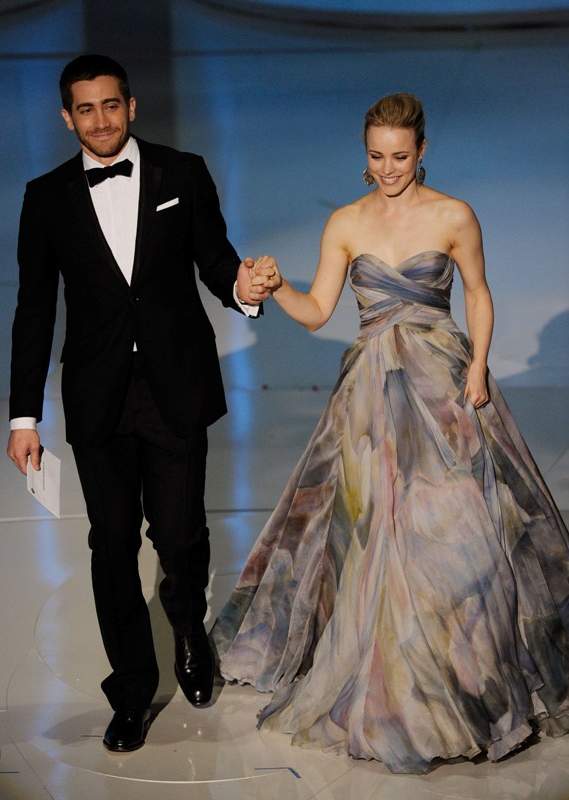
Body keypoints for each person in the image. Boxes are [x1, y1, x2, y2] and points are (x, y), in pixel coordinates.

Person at [212, 93, 569, 774]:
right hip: (372, 401)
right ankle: (399, 701)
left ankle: (470, 690)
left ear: (422, 150)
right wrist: (277, 285)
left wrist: (480, 367)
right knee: (378, 543)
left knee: (466, 535)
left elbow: (478, 293)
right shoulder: (346, 222)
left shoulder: (454, 215)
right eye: (376, 157)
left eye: (400, 156)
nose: (387, 169)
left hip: (445, 388)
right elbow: (318, 310)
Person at [7, 54, 276, 753]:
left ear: (131, 107)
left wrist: (243, 287)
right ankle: (130, 690)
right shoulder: (46, 196)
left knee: (181, 536)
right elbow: (34, 310)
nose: (100, 120)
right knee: (112, 544)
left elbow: (214, 259)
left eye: (110, 105)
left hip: (174, 384)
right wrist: (24, 417)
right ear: (67, 118)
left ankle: (190, 634)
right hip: (97, 397)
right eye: (85, 109)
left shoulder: (180, 173)